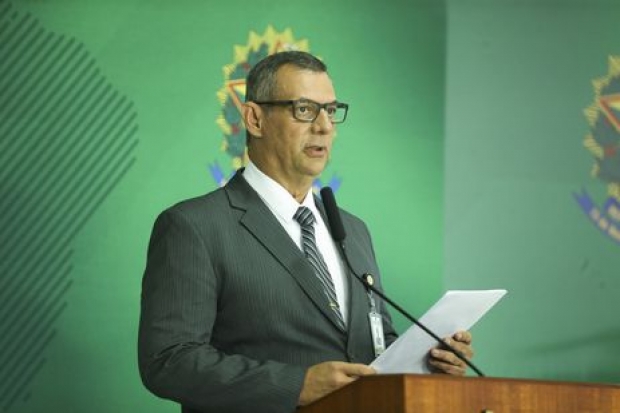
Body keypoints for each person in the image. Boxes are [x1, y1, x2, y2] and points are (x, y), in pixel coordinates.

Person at [138, 51, 474, 413]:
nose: (325, 127)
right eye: (304, 109)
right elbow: (168, 361)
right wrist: (296, 386)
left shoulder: (353, 230)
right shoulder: (194, 226)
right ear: (254, 118)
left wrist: (426, 360)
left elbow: (375, 343)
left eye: (330, 111)